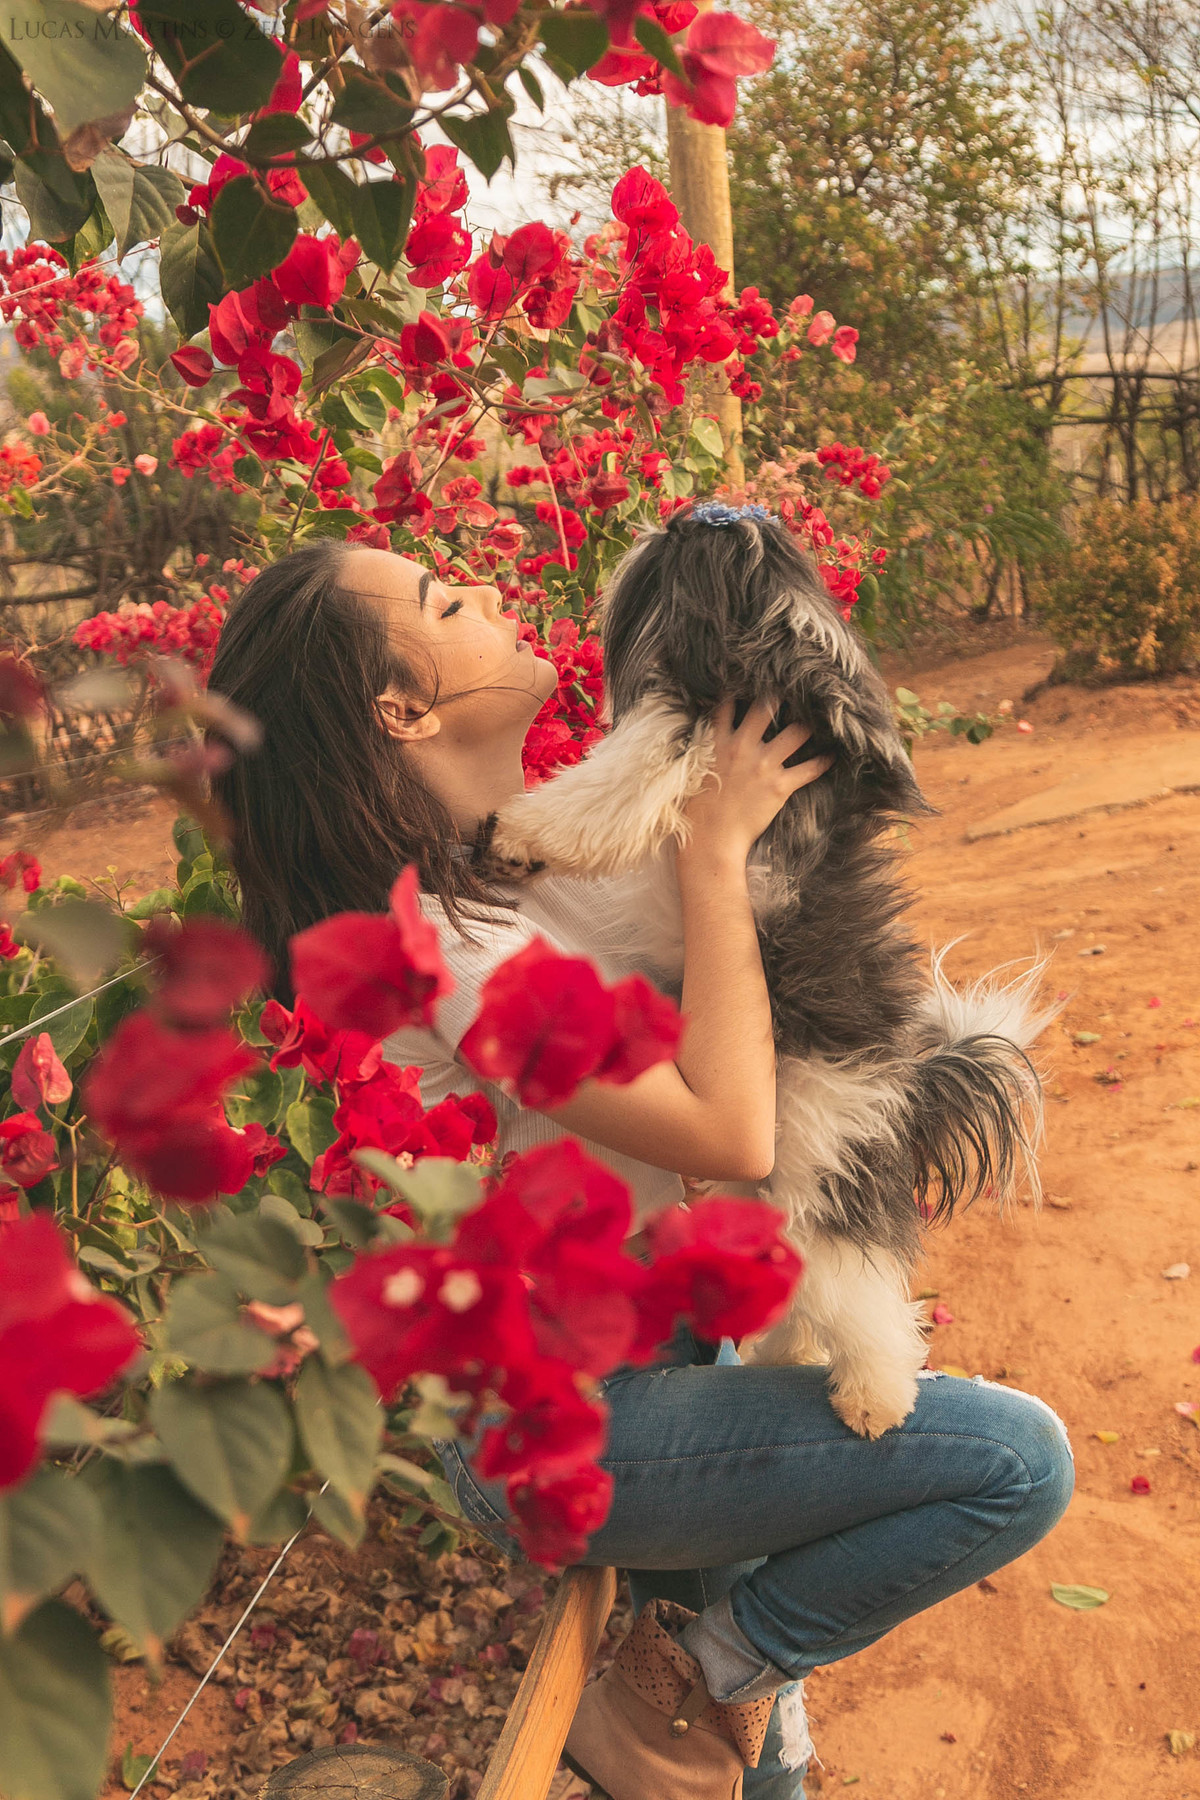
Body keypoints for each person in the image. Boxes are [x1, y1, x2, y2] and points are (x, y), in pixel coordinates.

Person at [209, 536, 1075, 1800]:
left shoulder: (515, 871)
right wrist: (718, 853)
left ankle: (723, 1690)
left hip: (667, 1351)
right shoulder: (450, 950)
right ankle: (695, 1671)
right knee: (1016, 1464)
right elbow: (732, 1133)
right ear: (400, 707)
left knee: (761, 1757)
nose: (493, 594)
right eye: (449, 600)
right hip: (569, 1424)